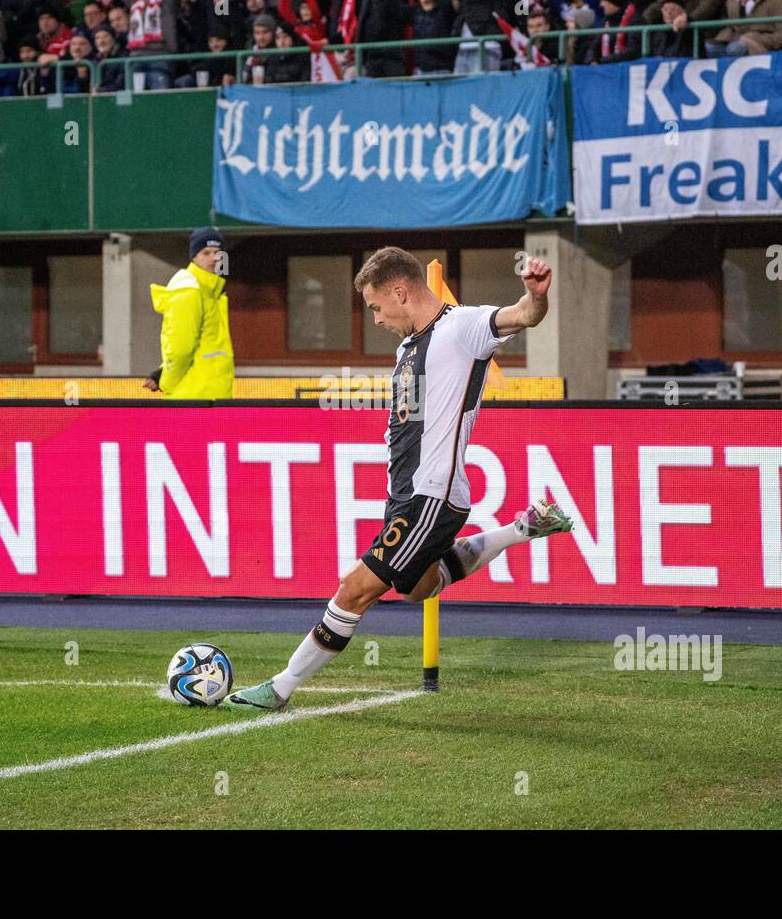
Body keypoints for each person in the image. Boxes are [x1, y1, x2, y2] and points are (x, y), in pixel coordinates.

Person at [226, 247, 574, 712]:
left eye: (375, 307)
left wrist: (535, 295)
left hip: (429, 498)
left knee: (354, 590)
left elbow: (523, 315)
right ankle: (521, 528)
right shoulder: (409, 346)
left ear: (400, 291)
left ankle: (280, 688)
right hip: (408, 497)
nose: (375, 318)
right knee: (417, 588)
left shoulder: (461, 328)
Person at [142, 227, 235, 399]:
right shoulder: (189, 291)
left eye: (217, 253)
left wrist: (162, 373)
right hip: (194, 398)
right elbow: (181, 349)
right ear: (194, 256)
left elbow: (199, 345)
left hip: (207, 394)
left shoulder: (211, 291)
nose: (213, 258)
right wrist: (165, 381)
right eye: (205, 253)